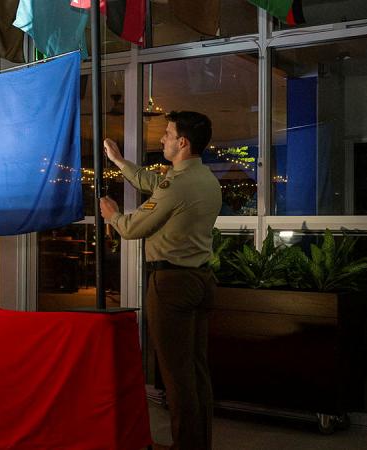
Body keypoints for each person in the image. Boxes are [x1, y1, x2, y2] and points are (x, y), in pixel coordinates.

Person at [99, 111, 221, 450]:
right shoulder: (204, 178)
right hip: (200, 280)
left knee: (177, 377)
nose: (162, 139)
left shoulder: (178, 185)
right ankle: (198, 444)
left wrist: (113, 216)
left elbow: (132, 228)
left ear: (182, 142)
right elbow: (155, 184)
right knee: (196, 371)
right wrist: (120, 161)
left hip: (172, 286)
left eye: (167, 134)